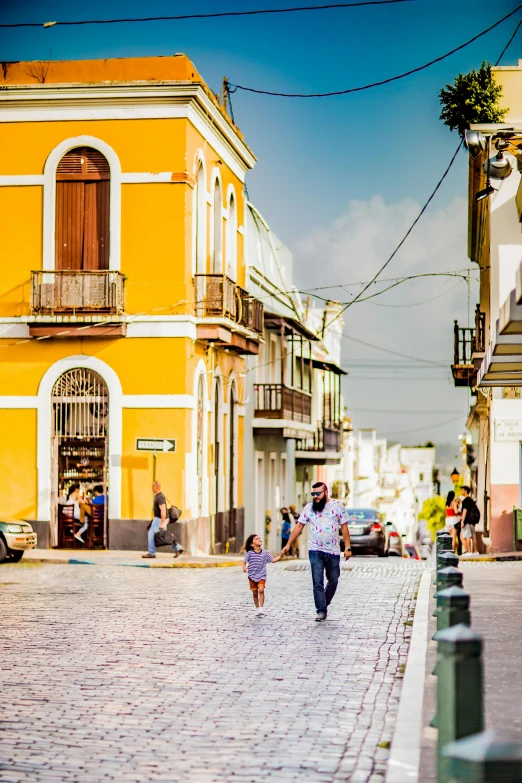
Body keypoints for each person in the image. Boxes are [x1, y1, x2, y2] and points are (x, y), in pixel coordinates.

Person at [281, 482, 352, 621]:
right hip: (315, 550)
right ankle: (321, 610)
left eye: (317, 494)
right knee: (317, 582)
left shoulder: (338, 506)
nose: (315, 497)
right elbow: (298, 526)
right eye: (313, 494)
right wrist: (288, 544)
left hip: (333, 551)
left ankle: (324, 602)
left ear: (326, 492)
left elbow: (344, 527)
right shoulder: (309, 508)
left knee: (333, 580)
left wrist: (347, 547)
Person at [242, 534, 281, 616]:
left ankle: (261, 607)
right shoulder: (249, 554)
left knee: (261, 590)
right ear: (252, 544)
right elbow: (244, 562)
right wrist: (244, 568)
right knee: (255, 593)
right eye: (256, 539)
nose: (259, 539)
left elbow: (273, 560)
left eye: (259, 538)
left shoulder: (265, 553)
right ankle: (257, 608)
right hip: (252, 576)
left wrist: (281, 555)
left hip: (262, 575)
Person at [142, 481, 167, 559]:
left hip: (159, 519)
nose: (152, 488)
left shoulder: (160, 497)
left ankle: (151, 553)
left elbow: (163, 510)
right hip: (157, 519)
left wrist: (162, 523)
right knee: (165, 535)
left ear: (156, 487)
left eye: (153, 486)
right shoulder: (157, 496)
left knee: (151, 534)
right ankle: (177, 548)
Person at [459, 486, 479, 554]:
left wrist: (462, 521)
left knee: (467, 536)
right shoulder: (471, 500)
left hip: (467, 520)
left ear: (465, 491)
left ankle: (469, 551)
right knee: (473, 536)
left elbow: (464, 511)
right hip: (472, 520)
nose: (461, 492)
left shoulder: (465, 500)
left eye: (462, 490)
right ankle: (476, 551)